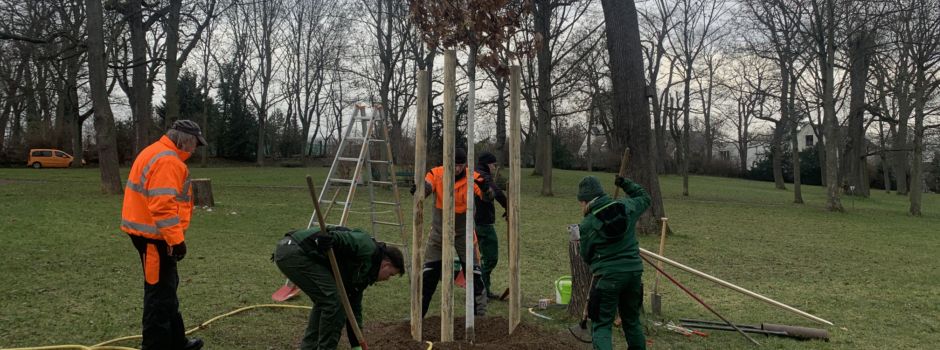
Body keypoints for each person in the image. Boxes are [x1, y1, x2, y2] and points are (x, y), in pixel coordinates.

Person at [121, 120, 207, 350]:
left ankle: (177, 341)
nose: (195, 149)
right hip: (154, 238)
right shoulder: (168, 161)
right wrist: (176, 240)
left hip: (150, 234)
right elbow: (162, 206)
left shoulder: (155, 151)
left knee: (167, 289)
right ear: (186, 140)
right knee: (158, 295)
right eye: (195, 144)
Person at [273, 226, 404, 350]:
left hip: (299, 254)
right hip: (295, 251)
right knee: (333, 301)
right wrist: (330, 239)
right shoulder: (367, 247)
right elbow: (344, 238)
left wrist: (356, 345)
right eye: (391, 274)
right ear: (386, 264)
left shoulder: (365, 274)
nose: (387, 279)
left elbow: (354, 309)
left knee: (326, 302)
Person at [411, 148, 492, 316]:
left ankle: (480, 317)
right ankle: (418, 315)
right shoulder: (436, 173)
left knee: (474, 274)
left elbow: (487, 198)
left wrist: (486, 189)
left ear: (465, 165)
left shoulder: (473, 177)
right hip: (439, 231)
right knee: (429, 275)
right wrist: (420, 190)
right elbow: (427, 186)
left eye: (460, 166)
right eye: (454, 165)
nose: (457, 169)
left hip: (464, 232)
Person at [577, 175, 651, 350]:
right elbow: (645, 197)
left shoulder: (587, 225)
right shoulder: (627, 206)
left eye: (580, 202)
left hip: (608, 277)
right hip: (634, 273)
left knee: (602, 325)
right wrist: (626, 183)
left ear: (586, 201)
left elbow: (586, 255)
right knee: (631, 321)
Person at [472, 152, 508, 299]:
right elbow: (498, 193)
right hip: (483, 224)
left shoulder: (475, 173)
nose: (495, 167)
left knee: (481, 258)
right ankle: (482, 290)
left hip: (475, 222)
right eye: (494, 165)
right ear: (488, 164)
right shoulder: (483, 177)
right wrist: (508, 207)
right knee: (491, 258)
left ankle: (483, 290)